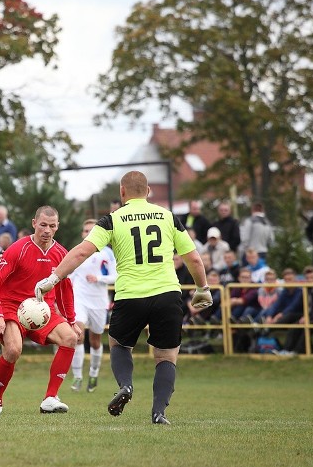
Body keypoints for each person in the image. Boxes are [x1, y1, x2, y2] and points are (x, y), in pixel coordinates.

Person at [35, 170, 210, 425]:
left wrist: (53, 278)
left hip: (131, 295)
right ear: (148, 191)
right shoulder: (168, 217)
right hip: (167, 294)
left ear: (122, 191)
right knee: (166, 356)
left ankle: (126, 386)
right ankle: (159, 412)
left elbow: (82, 251)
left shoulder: (112, 220)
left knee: (119, 344)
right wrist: (202, 288)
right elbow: (193, 257)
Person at [0, 205, 79, 416]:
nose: (47, 230)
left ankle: (50, 398)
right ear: (34, 223)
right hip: (12, 308)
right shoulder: (19, 248)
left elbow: (65, 290)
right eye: (43, 225)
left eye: (52, 226)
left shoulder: (61, 253)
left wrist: (71, 320)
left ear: (57, 227)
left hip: (43, 311)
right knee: (13, 350)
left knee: (70, 338)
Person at [68, 218, 117, 393]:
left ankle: (94, 373)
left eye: (91, 230)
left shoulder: (107, 253)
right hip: (79, 298)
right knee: (77, 336)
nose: (87, 233)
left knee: (95, 340)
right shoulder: (78, 251)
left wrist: (99, 279)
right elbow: (70, 274)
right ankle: (77, 377)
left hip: (99, 301)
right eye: (85, 230)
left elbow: (116, 276)